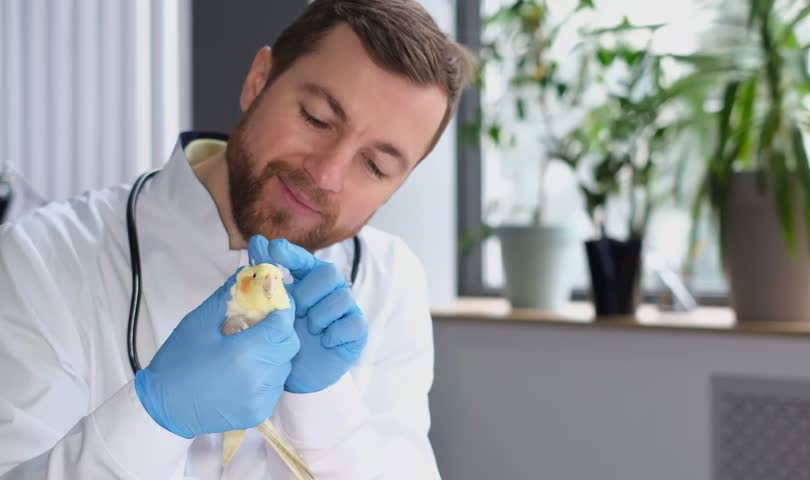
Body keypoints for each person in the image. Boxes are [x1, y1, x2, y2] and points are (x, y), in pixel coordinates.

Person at [0, 0, 474, 478]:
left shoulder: (390, 282)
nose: (327, 173)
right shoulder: (38, 257)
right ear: (258, 80)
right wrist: (154, 418)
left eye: (375, 167)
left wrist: (326, 411)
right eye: (316, 118)